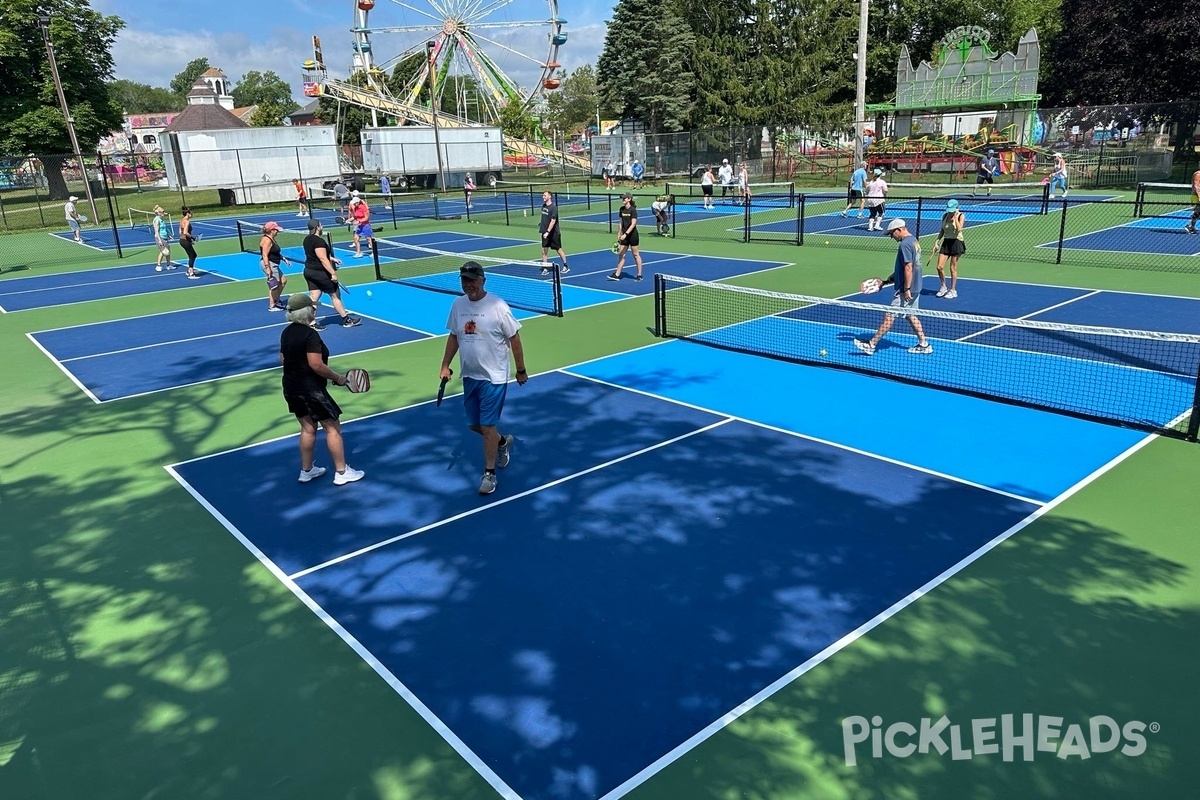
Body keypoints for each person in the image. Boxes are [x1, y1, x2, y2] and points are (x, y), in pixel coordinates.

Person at [439, 261, 528, 496]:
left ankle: (489, 474)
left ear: (483, 280)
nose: (468, 284)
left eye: (472, 280)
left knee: (487, 426)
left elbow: (514, 339)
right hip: (470, 374)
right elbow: (454, 336)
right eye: (464, 280)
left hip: (494, 376)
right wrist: (445, 365)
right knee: (473, 424)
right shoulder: (458, 305)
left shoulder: (498, 306)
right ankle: (501, 442)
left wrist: (520, 369)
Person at [279, 293, 364, 487]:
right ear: (306, 311)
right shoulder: (310, 335)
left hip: (291, 386)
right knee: (332, 427)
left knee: (308, 428)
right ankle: (342, 472)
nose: (314, 310)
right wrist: (338, 378)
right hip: (311, 389)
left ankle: (306, 471)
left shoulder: (286, 332)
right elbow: (316, 365)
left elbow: (283, 360)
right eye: (312, 307)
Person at [853, 219, 933, 356]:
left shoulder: (905, 245)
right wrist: (889, 280)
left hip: (906, 289)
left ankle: (871, 345)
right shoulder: (914, 241)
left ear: (899, 230)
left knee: (889, 316)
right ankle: (924, 344)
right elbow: (905, 267)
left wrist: (906, 289)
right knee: (910, 315)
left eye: (891, 234)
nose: (892, 237)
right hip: (916, 286)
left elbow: (908, 267)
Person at [302, 218, 362, 329]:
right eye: (321, 225)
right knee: (335, 296)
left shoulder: (307, 239)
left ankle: (311, 322)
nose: (322, 226)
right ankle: (346, 320)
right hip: (320, 273)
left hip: (309, 271)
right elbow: (322, 259)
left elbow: (316, 255)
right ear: (317, 227)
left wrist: (332, 258)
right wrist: (333, 274)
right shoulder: (319, 241)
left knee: (314, 297)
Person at [933, 199, 965, 299]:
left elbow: (959, 229)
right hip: (946, 242)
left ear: (956, 208)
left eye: (952, 210)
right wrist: (937, 241)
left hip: (957, 242)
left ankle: (953, 290)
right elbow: (942, 230)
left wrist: (955, 218)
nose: (950, 212)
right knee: (939, 267)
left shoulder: (961, 216)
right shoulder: (944, 216)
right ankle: (943, 287)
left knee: (952, 268)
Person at [608, 193, 643, 281]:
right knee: (621, 255)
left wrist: (626, 234)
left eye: (624, 198)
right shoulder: (622, 209)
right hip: (624, 236)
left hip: (632, 236)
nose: (623, 200)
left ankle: (639, 275)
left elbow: (633, 224)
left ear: (629, 199)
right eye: (622, 198)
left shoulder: (633, 210)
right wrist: (619, 234)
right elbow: (620, 223)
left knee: (635, 255)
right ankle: (617, 275)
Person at [260, 221, 290, 311]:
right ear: (271, 230)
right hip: (270, 264)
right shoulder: (267, 240)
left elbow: (275, 252)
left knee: (283, 281)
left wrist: (284, 259)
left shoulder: (272, 238)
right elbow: (265, 255)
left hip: (274, 264)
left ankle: (276, 300)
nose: (278, 232)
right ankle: (272, 305)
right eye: (276, 230)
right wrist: (268, 268)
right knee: (274, 285)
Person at [538, 190, 570, 274]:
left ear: (549, 196)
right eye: (543, 195)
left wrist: (548, 232)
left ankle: (565, 266)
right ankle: (545, 268)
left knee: (559, 250)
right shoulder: (543, 206)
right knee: (544, 251)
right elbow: (545, 218)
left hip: (553, 234)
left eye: (544, 195)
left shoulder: (554, 208)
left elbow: (553, 221)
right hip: (544, 232)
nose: (543, 197)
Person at [179, 206, 200, 280]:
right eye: (191, 213)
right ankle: (191, 272)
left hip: (182, 240)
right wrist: (192, 237)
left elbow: (180, 232)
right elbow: (185, 232)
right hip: (185, 240)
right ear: (188, 213)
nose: (192, 214)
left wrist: (190, 240)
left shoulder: (181, 220)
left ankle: (189, 270)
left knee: (192, 255)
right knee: (193, 255)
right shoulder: (187, 221)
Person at [153, 205, 174, 271]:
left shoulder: (162, 219)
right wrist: (159, 240)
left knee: (168, 251)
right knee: (163, 251)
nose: (163, 213)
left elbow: (165, 228)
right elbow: (156, 231)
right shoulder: (157, 220)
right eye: (162, 212)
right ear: (158, 213)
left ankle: (168, 265)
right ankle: (158, 265)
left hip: (165, 237)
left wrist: (169, 235)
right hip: (160, 237)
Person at [1185, 167, 1200, 235]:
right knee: (1198, 211)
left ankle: (1191, 226)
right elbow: (1196, 186)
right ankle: (1190, 226)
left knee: (1198, 212)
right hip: (1196, 196)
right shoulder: (1198, 174)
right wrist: (1199, 196)